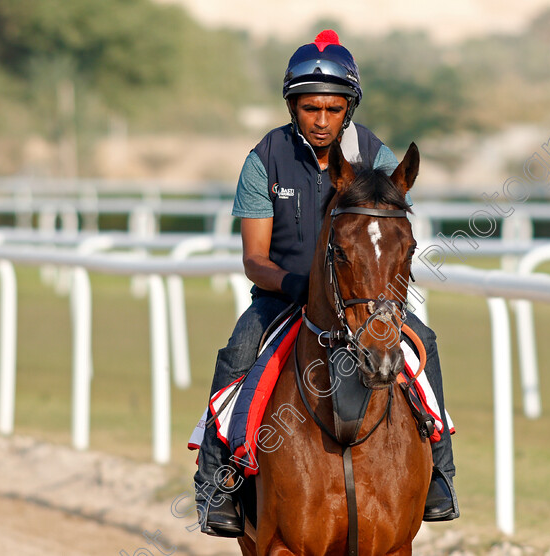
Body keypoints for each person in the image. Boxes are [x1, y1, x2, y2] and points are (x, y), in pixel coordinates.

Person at [194, 29, 460, 538]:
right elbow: (253, 257)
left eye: (333, 109)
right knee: (237, 351)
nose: (321, 120)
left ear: (348, 108)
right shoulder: (264, 159)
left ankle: (440, 478)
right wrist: (293, 283)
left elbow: (390, 234)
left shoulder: (379, 158)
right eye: (310, 108)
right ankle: (216, 485)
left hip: (365, 304)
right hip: (283, 299)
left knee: (424, 341)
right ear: (293, 106)